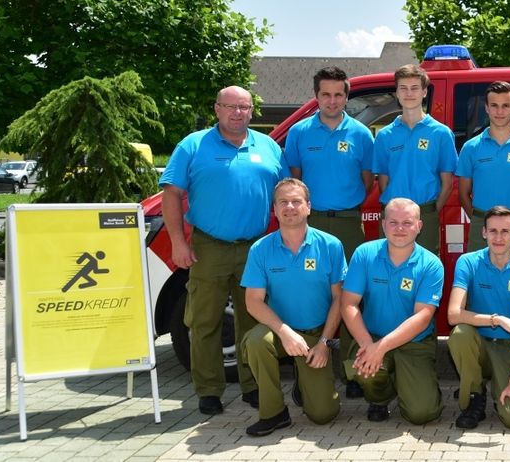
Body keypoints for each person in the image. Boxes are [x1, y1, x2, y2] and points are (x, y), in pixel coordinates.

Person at [159, 86, 288, 415]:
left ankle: (252, 386)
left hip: (255, 249)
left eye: (244, 107)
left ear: (251, 111)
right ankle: (208, 391)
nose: (237, 113)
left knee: (253, 320)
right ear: (216, 109)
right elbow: (171, 195)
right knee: (205, 322)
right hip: (208, 248)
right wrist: (177, 242)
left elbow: (287, 194)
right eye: (230, 106)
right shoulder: (193, 145)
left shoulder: (269, 147)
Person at [285, 66, 374, 399]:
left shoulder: (362, 135)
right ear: (316, 96)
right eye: (326, 94)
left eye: (339, 94)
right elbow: (294, 180)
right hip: (310, 224)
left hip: (349, 223)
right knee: (307, 294)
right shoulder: (298, 133)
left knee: (351, 296)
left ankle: (352, 371)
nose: (332, 100)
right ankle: (304, 371)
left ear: (347, 97)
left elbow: (367, 180)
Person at [241, 179, 344, 436]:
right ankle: (274, 412)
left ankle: (305, 380)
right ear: (274, 209)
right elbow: (253, 301)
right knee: (255, 341)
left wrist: (324, 342)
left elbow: (339, 300)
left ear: (309, 207)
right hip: (280, 331)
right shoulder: (260, 249)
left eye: (296, 201)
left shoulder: (330, 245)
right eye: (283, 202)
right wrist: (285, 332)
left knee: (323, 415)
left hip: (316, 335)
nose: (290, 207)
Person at [340, 198, 444, 424]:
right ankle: (380, 398)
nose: (399, 229)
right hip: (372, 336)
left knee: (422, 414)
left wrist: (382, 348)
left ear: (419, 226)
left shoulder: (431, 264)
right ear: (383, 224)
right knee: (364, 370)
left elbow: (423, 317)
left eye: (407, 223)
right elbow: (348, 304)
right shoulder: (364, 254)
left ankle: (410, 384)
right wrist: (368, 346)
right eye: (393, 222)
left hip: (415, 343)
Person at [446, 205, 510, 430]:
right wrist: (498, 319)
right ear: (484, 233)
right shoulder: (468, 262)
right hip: (478, 345)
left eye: (505, 231)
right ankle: (474, 397)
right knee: (460, 334)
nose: (498, 237)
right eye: (493, 231)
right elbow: (453, 314)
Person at [372, 64, 458, 255]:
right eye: (403, 88)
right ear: (396, 93)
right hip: (392, 215)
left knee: (424, 272)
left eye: (414, 88)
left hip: (425, 214)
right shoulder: (385, 135)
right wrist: (396, 209)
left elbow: (447, 183)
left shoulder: (441, 133)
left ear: (424, 92)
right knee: (387, 270)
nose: (409, 93)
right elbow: (383, 182)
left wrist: (431, 210)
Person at [456, 81, 510, 251]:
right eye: (494, 105)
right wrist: (481, 220)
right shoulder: (470, 148)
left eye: (505, 105)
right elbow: (463, 193)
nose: (499, 111)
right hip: (481, 226)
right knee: (480, 276)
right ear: (487, 108)